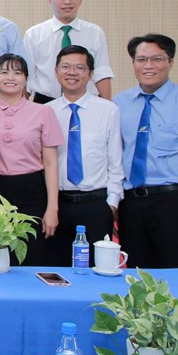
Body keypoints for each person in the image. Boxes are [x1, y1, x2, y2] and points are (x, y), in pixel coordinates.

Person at [115, 34, 178, 268]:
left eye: (157, 59)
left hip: (173, 203)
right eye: (141, 59)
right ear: (133, 63)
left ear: (170, 62)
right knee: (135, 277)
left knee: (174, 275)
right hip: (131, 204)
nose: (148, 66)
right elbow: (115, 157)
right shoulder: (120, 103)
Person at [0, 54, 62, 267]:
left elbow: (51, 163)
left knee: (32, 256)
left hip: (32, 193)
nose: (10, 77)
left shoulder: (44, 112)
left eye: (17, 73)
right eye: (4, 72)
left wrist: (52, 208)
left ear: (26, 78)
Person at [45, 46, 123, 267]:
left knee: (96, 270)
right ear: (56, 71)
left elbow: (115, 162)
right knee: (55, 270)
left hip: (96, 204)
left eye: (80, 68)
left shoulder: (108, 110)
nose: (72, 72)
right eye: (66, 67)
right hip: (58, 204)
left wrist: (112, 204)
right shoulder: (45, 112)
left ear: (90, 74)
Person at [23, 0, 114, 104]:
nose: (67, 1)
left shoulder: (94, 32)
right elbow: (27, 77)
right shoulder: (34, 34)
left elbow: (101, 72)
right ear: (50, 0)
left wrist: (108, 106)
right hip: (45, 103)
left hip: (86, 103)